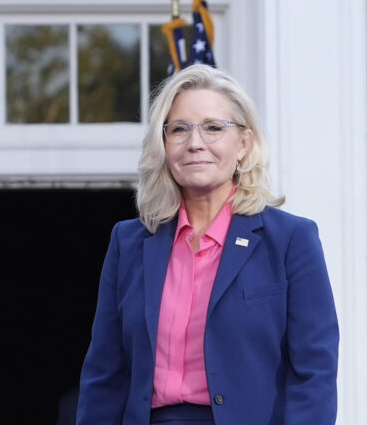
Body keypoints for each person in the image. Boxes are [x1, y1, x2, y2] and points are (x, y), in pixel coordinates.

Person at [77, 64, 338, 425]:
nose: (195, 143)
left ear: (244, 143)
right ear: (163, 144)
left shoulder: (291, 240)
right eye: (179, 130)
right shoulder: (128, 242)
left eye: (214, 128)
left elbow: (315, 373)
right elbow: (105, 374)